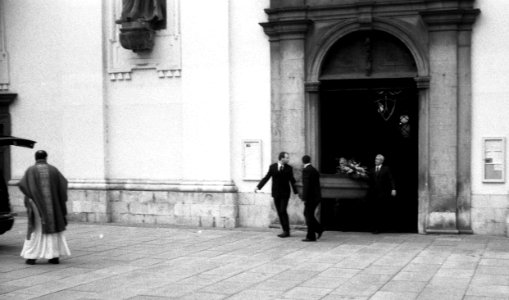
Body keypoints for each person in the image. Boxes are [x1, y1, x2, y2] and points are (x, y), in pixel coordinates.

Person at [18, 150, 70, 265]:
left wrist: (31, 198)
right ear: (46, 157)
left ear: (35, 158)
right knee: (52, 229)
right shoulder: (53, 170)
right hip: (53, 206)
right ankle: (54, 256)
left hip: (36, 208)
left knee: (37, 229)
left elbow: (22, 185)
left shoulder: (30, 170)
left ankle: (31, 257)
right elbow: (63, 184)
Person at [255, 152, 298, 238]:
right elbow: (266, 178)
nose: (288, 159)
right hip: (276, 193)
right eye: (287, 158)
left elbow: (292, 181)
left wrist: (297, 192)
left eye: (288, 158)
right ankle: (285, 230)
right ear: (281, 158)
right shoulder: (273, 167)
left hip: (285, 193)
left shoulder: (289, 168)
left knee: (283, 210)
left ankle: (287, 231)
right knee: (279, 212)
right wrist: (258, 187)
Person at [368, 154, 396, 234]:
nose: (375, 160)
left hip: (382, 193)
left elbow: (391, 179)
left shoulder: (386, 169)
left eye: (377, 159)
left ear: (381, 161)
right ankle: (374, 227)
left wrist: (393, 189)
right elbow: (369, 181)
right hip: (373, 193)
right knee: (373, 211)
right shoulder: (372, 170)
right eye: (375, 159)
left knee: (380, 210)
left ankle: (379, 228)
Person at [300, 155, 324, 242]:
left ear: (303, 161)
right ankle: (318, 229)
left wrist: (304, 197)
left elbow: (306, 185)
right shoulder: (314, 169)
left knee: (308, 215)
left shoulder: (306, 170)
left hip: (310, 198)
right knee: (308, 214)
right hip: (316, 197)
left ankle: (311, 236)